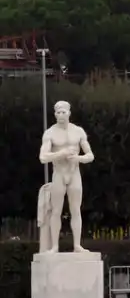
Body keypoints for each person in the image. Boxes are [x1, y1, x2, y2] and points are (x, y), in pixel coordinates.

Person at [38, 101, 94, 253]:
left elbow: (90, 155)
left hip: (74, 173)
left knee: (76, 210)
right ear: (54, 114)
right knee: (56, 210)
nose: (61, 115)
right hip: (59, 174)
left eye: (63, 112)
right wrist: (61, 153)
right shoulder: (50, 133)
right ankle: (55, 246)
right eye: (58, 112)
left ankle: (77, 245)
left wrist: (78, 158)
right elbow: (43, 157)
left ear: (69, 113)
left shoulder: (78, 131)